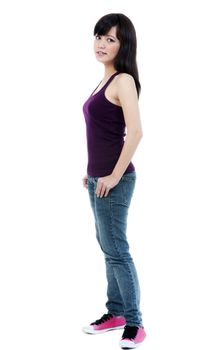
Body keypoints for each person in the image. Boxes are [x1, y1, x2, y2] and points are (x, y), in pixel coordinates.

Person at [82, 13, 146, 349]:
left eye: (111, 39)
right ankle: (116, 312)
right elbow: (104, 134)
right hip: (98, 179)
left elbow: (135, 132)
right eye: (99, 36)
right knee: (109, 250)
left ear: (124, 46)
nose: (102, 44)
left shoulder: (123, 80)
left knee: (118, 251)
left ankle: (134, 323)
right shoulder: (103, 82)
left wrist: (113, 175)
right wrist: (92, 172)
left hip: (115, 181)